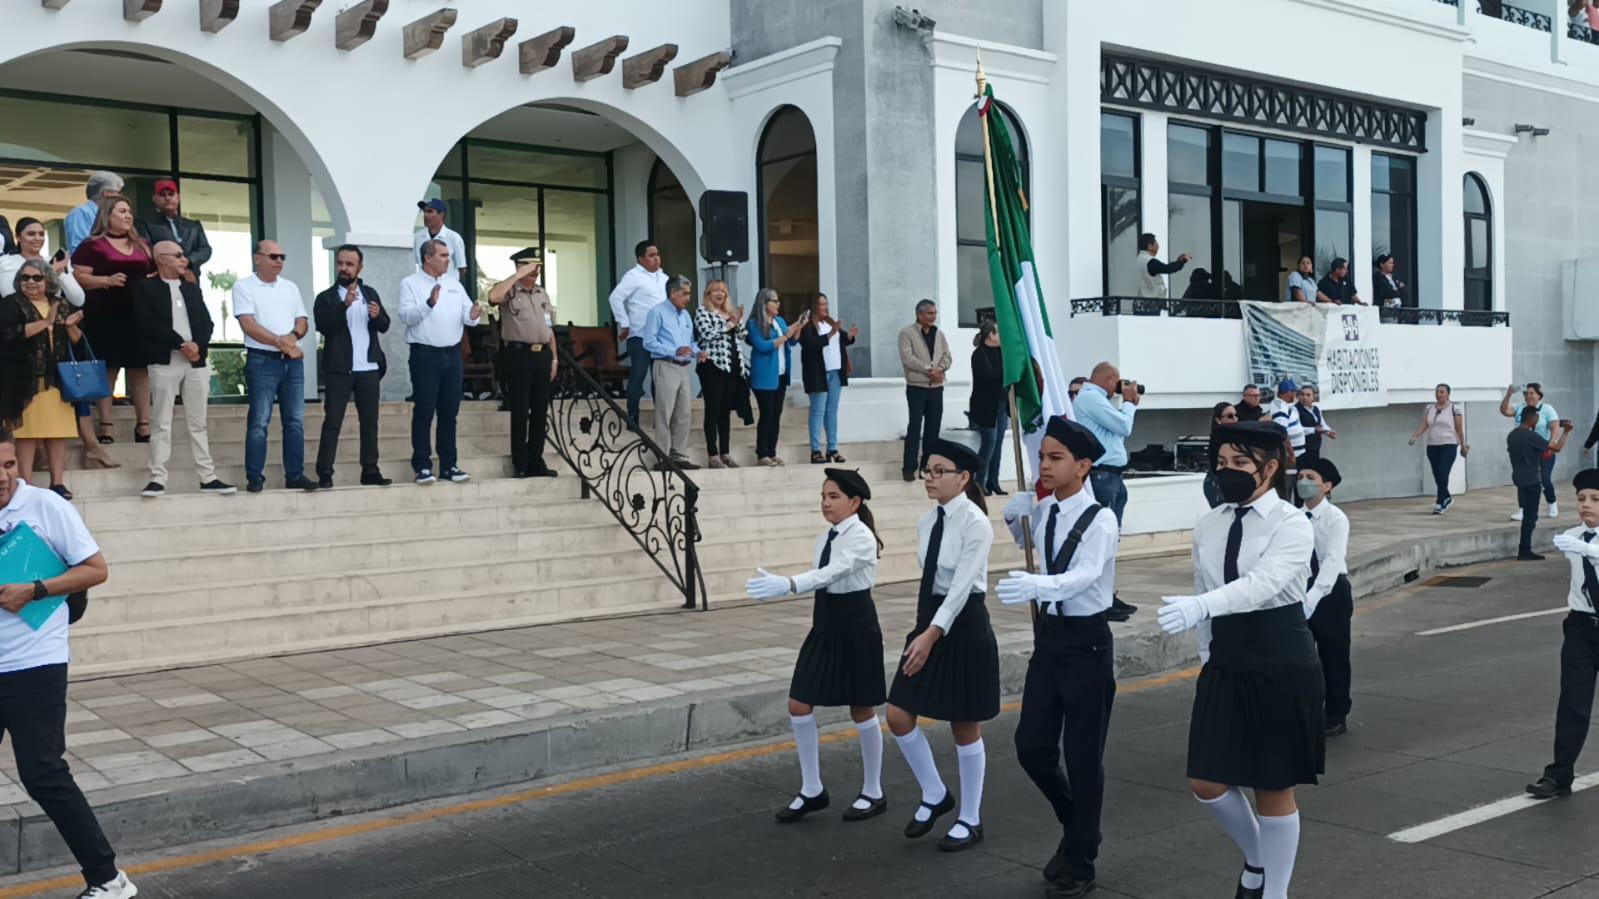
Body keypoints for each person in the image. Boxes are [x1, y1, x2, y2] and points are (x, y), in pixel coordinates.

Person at [1157, 419, 1323, 899]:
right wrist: (1206, 651)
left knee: (1273, 784)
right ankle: (1258, 858)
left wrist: (1202, 606)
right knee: (1205, 781)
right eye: (1221, 462)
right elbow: (1203, 585)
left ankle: (1275, 891)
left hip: (1278, 655)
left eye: (1239, 462)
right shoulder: (1210, 523)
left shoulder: (1291, 523)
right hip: (1226, 656)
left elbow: (1263, 584)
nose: (1226, 470)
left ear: (1269, 469)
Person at [0, 428, 137, 899]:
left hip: (34, 661)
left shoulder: (46, 507)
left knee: (44, 774)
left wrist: (35, 590)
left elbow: (96, 569)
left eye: (9, 465)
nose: (4, 477)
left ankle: (108, 879)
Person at [995, 418, 1119, 898]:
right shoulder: (1046, 511)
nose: (1044, 466)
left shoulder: (1101, 519)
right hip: (1051, 640)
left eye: (1055, 458)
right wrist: (1015, 518)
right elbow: (1030, 546)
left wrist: (1039, 586)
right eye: (1042, 457)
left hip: (1087, 644)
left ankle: (1081, 863)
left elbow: (1084, 576)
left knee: (1083, 759)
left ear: (1083, 467)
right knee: (1032, 748)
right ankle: (1079, 827)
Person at [745, 469, 888, 823]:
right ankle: (812, 789)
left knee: (861, 708)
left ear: (855, 502)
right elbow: (824, 577)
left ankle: (873, 790)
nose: (826, 503)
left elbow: (832, 573)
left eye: (834, 496)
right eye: (823, 496)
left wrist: (790, 584)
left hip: (856, 626)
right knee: (799, 703)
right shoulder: (825, 536)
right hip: (825, 623)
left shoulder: (862, 537)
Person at [887, 438, 998, 852]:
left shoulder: (976, 523)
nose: (930, 479)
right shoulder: (927, 521)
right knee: (898, 713)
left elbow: (962, 587)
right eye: (927, 471)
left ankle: (970, 817)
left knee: (964, 724)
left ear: (963, 478)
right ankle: (935, 793)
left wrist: (931, 635)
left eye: (939, 472)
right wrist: (926, 630)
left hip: (963, 624)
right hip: (930, 619)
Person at [0, 218, 113, 472]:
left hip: (57, 342)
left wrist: (59, 272)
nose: (37, 238)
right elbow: (12, 293)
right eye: (31, 234)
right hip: (23, 349)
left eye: (41, 233)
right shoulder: (7, 263)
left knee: (67, 396)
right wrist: (49, 273)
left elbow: (78, 298)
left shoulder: (55, 261)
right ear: (18, 237)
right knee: (27, 416)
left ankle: (88, 449)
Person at [135, 241, 233, 498]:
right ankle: (157, 477)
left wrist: (197, 345)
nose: (183, 260)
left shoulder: (190, 287)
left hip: (195, 361)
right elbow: (146, 323)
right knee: (161, 421)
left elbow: (206, 322)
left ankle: (207, 476)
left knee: (198, 422)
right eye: (178, 255)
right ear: (161, 258)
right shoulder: (145, 287)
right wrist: (180, 344)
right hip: (164, 360)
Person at [1526, 468, 1599, 800]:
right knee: (1573, 703)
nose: (1586, 505)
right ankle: (1558, 775)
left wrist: (1588, 550)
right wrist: (1581, 546)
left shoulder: (1579, 544)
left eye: (1595, 499)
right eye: (1581, 499)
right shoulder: (1573, 537)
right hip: (1581, 629)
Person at [71, 196, 155, 447]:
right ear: (107, 216)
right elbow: (79, 276)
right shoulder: (92, 245)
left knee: (140, 369)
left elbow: (153, 272)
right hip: (105, 314)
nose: (128, 216)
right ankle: (106, 424)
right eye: (122, 211)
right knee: (108, 369)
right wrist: (106, 281)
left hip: (138, 314)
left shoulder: (143, 244)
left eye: (129, 211)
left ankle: (144, 423)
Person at [234, 240, 317, 494]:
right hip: (262, 360)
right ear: (258, 258)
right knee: (259, 420)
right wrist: (281, 342)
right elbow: (248, 325)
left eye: (282, 256)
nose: (279, 261)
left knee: (295, 421)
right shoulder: (244, 286)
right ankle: (255, 477)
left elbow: (302, 321)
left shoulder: (290, 287)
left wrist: (291, 338)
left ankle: (295, 475)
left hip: (291, 361)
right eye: (273, 256)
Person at [399, 239, 480, 486]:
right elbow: (406, 316)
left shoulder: (454, 284)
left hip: (452, 355)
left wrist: (474, 314)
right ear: (427, 258)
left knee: (449, 412)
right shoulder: (410, 283)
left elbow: (468, 316)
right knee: (424, 410)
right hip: (425, 355)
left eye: (448, 255)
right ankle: (422, 466)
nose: (448, 260)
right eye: (443, 255)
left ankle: (449, 465)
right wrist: (429, 304)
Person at [0, 261, 84, 499]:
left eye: (36, 278)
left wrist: (69, 326)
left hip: (57, 379)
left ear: (48, 280)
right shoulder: (11, 303)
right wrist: (45, 323)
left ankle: (57, 483)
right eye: (25, 277)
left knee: (57, 432)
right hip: (24, 380)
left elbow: (78, 342)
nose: (30, 282)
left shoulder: (61, 304)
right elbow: (7, 335)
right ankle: (25, 484)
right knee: (27, 434)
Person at [313, 244, 392, 488]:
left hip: (368, 368)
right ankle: (325, 472)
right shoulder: (326, 298)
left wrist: (378, 315)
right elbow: (324, 326)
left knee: (369, 423)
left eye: (349, 264)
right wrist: (344, 305)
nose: (344, 268)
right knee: (332, 422)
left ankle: (370, 470)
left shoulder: (370, 293)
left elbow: (385, 325)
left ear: (360, 267)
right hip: (339, 369)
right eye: (340, 263)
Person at [1072, 361, 1142, 621]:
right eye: (1118, 381)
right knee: (1102, 539)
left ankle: (1107, 594)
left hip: (1113, 476)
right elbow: (1124, 427)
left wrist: (1125, 405)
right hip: (1102, 476)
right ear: (1110, 378)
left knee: (1112, 540)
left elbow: (1115, 431)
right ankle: (1100, 599)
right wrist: (1130, 404)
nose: (1120, 387)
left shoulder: (1100, 400)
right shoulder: (1090, 398)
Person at [486, 248, 557, 479]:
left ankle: (536, 459)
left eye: (538, 267)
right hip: (519, 355)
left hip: (542, 354)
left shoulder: (542, 293)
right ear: (520, 267)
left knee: (540, 410)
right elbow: (493, 297)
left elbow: (549, 328)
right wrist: (517, 276)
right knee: (520, 409)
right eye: (531, 267)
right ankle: (521, 462)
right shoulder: (509, 289)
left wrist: (554, 358)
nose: (536, 272)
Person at [1300, 458, 1352, 738]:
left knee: (1333, 656)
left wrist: (1314, 597)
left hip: (1331, 592)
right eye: (1301, 476)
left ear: (1328, 486)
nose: (1303, 482)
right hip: (1300, 589)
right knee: (1301, 658)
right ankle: (1305, 711)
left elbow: (1333, 560)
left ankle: (1335, 714)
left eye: (1311, 478)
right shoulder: (1293, 517)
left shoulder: (1336, 518)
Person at [641, 275, 703, 471]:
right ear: (673, 292)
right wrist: (673, 350)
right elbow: (648, 342)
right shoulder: (657, 312)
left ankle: (679, 455)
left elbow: (690, 342)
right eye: (685, 294)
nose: (688, 298)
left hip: (684, 368)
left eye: (689, 294)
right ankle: (662, 456)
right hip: (665, 365)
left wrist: (698, 352)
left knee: (684, 413)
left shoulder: (685, 316)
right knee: (664, 412)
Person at [607, 241, 668, 427]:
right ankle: (632, 418)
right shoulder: (633, 276)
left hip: (661, 337)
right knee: (638, 375)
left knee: (660, 379)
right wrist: (624, 323)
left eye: (657, 254)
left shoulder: (664, 278)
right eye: (651, 255)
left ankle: (661, 420)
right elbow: (615, 298)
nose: (656, 258)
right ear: (641, 259)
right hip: (640, 335)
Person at [694, 279, 747, 469]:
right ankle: (712, 454)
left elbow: (742, 335)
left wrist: (737, 321)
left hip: (731, 366)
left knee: (725, 411)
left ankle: (725, 452)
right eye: (716, 291)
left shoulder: (729, 313)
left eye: (723, 291)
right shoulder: (702, 312)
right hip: (712, 366)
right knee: (713, 409)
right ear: (708, 294)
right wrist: (729, 324)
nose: (720, 294)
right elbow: (707, 334)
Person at [798, 293, 856, 465]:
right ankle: (815, 450)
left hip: (835, 373)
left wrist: (850, 336)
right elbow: (810, 344)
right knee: (818, 411)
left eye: (826, 303)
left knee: (832, 411)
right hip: (818, 374)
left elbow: (842, 340)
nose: (826, 307)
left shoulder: (830, 323)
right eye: (822, 304)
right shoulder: (808, 326)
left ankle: (832, 448)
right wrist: (831, 333)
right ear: (814, 307)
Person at [1509, 406, 1573, 561]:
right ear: (1531, 418)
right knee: (1530, 518)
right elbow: (1556, 448)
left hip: (1518, 479)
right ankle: (1524, 550)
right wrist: (1566, 432)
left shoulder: (1512, 435)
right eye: (1537, 417)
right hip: (1532, 480)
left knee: (1527, 515)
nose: (1538, 420)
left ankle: (1524, 549)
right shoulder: (1532, 436)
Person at [899, 300, 953, 482]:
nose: (933, 316)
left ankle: (926, 466)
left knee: (933, 429)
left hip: (936, 388)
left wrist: (941, 369)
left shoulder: (939, 334)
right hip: (917, 387)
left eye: (934, 313)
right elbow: (908, 358)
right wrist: (930, 369)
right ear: (920, 314)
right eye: (929, 313)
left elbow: (947, 356)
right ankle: (909, 468)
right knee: (914, 427)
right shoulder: (907, 333)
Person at [747, 288, 801, 467]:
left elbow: (791, 340)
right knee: (767, 413)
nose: (778, 304)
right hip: (764, 375)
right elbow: (763, 346)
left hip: (781, 373)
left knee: (776, 414)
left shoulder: (779, 321)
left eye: (778, 301)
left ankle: (772, 452)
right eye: (774, 301)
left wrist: (799, 326)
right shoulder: (754, 323)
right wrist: (785, 336)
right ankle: (762, 453)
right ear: (764, 303)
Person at [1501, 382, 1563, 520]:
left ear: (1539, 395)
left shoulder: (1547, 409)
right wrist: (1509, 394)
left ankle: (1552, 503)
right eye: (1526, 393)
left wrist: (1552, 443)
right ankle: (1523, 509)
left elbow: (1555, 426)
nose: (1528, 396)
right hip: (1525, 450)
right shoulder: (1520, 408)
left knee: (1545, 479)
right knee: (1522, 478)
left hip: (1542, 447)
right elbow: (1504, 411)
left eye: (1531, 393)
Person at [134, 179, 211, 282]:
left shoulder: (193, 226)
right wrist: (174, 263)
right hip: (161, 279)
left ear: (178, 197)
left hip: (190, 279)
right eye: (162, 195)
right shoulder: (144, 223)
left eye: (171, 194)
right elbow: (146, 249)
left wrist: (189, 261)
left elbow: (205, 250)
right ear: (155, 199)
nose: (167, 198)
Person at [1409, 384, 1467, 514]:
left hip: (1449, 444)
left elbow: (1459, 429)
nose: (1438, 394)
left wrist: (1463, 446)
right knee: (1437, 476)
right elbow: (1425, 425)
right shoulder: (1429, 408)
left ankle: (1440, 502)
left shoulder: (1455, 409)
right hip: (1432, 445)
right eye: (1437, 392)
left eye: (1442, 392)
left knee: (1443, 473)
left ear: (1448, 394)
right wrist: (1415, 436)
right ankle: (1447, 497)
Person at [970, 321, 1009, 496]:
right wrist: (1006, 369)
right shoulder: (979, 354)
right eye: (998, 332)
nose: (1001, 335)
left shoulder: (1001, 353)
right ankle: (979, 482)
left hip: (1001, 404)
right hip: (985, 406)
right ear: (991, 335)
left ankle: (993, 481)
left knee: (998, 444)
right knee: (989, 443)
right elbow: (988, 374)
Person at [64, 171, 122, 257]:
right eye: (118, 192)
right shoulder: (81, 213)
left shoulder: (108, 216)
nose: (120, 197)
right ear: (107, 193)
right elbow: (80, 251)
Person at [411, 199, 468, 282]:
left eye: (430, 211)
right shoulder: (418, 237)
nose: (426, 215)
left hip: (446, 286)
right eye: (425, 212)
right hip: (423, 285)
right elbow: (414, 263)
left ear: (441, 214)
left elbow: (462, 268)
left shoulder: (454, 237)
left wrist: (450, 283)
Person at [1203, 403, 1240, 508]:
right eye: (1230, 416)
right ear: (1218, 420)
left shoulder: (1236, 437)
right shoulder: (1218, 439)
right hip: (1219, 484)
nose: (1235, 419)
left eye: (1236, 415)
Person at [1134, 233, 1191, 298]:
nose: (1158, 246)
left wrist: (1179, 261)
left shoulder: (1138, 260)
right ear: (1150, 246)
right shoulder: (1150, 261)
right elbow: (1167, 269)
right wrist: (1182, 261)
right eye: (1156, 243)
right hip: (1153, 300)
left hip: (1141, 299)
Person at [1267, 379, 1307, 472]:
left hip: (1297, 453)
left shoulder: (1285, 405)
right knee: (1291, 478)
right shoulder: (1280, 407)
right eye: (1294, 392)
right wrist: (1291, 455)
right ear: (1289, 392)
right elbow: (1282, 433)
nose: (1295, 395)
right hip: (1291, 456)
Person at [1295, 384, 1334, 466]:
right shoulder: (1294, 409)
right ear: (1299, 396)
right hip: (1302, 448)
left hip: (1315, 446)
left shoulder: (1316, 409)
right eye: (1302, 394)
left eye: (1308, 395)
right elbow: (1296, 429)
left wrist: (1329, 432)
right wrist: (1313, 429)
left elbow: (1322, 424)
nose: (1305, 397)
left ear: (1313, 397)